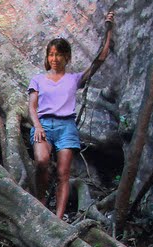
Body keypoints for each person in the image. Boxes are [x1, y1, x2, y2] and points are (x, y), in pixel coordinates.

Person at [28, 11, 115, 220]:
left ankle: (57, 218)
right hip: (44, 125)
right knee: (41, 161)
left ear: (67, 57)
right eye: (51, 54)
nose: (54, 59)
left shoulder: (74, 79)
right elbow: (32, 107)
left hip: (67, 127)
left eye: (58, 54)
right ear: (47, 57)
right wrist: (38, 126)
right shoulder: (38, 79)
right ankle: (40, 202)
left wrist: (109, 29)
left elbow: (100, 59)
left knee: (63, 174)